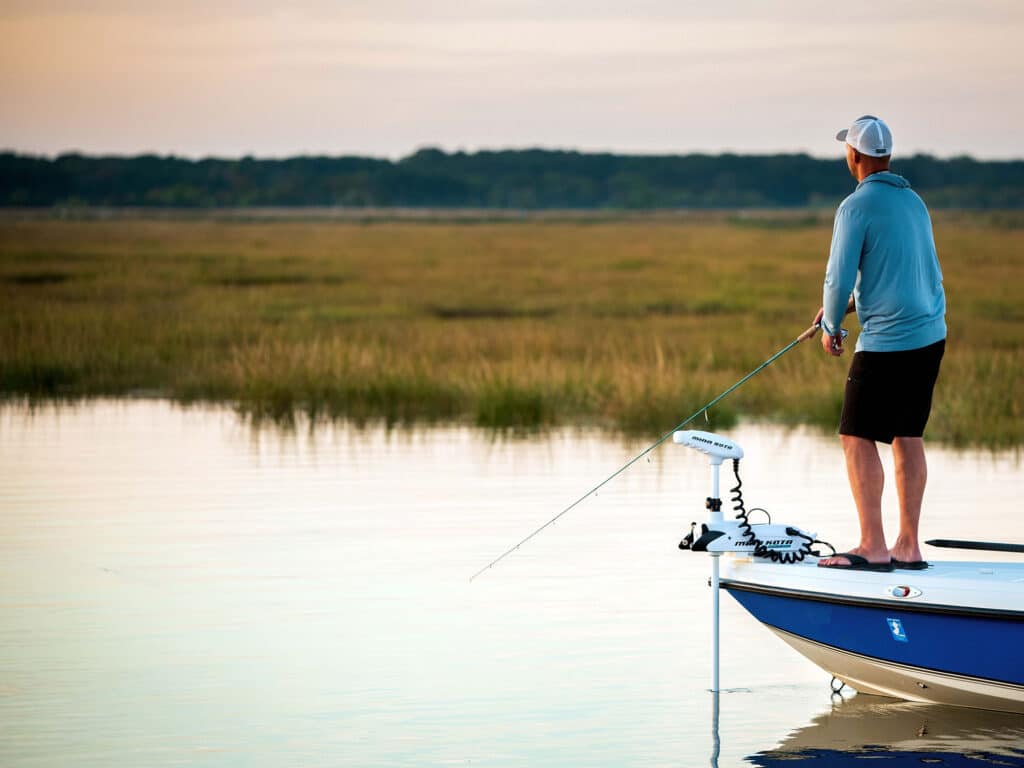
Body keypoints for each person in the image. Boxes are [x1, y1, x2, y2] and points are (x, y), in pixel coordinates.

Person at [814, 115, 947, 572]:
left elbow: (838, 274)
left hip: (887, 342)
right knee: (906, 434)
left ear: (854, 156)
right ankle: (907, 546)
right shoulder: (914, 202)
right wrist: (852, 306)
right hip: (930, 335)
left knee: (855, 434)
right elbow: (904, 270)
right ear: (886, 156)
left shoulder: (855, 206)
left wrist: (831, 323)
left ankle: (872, 545)